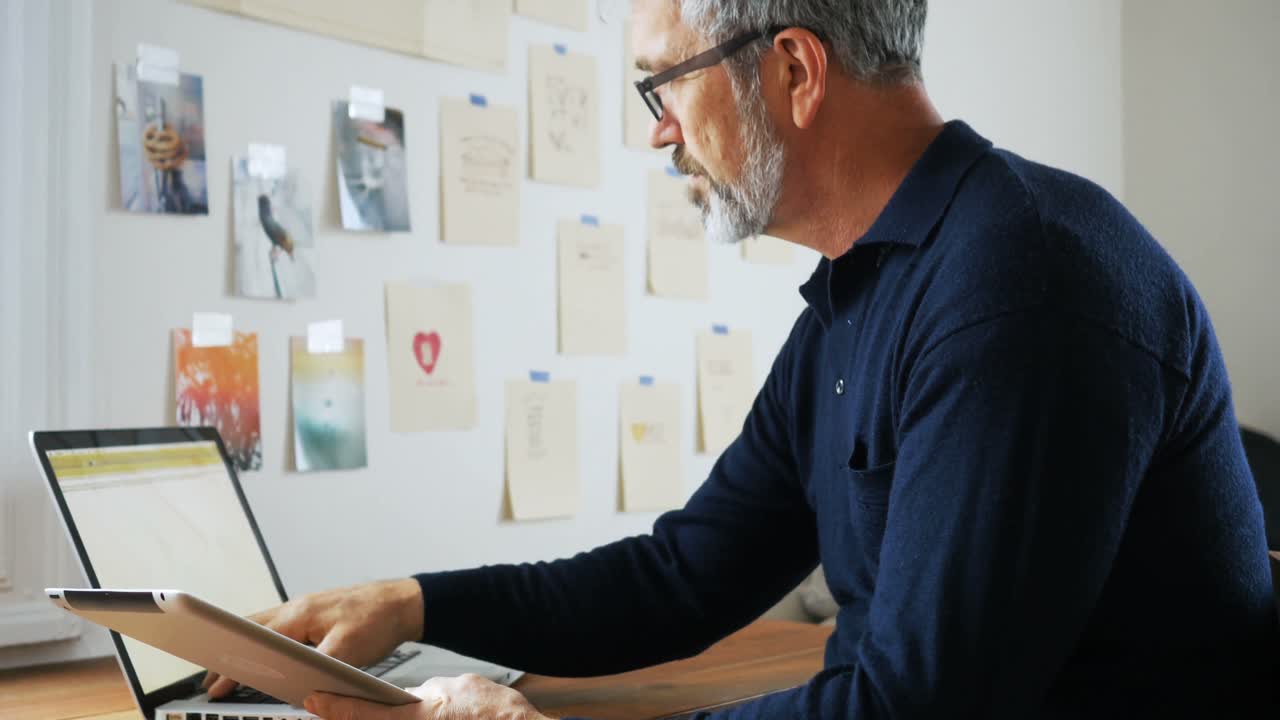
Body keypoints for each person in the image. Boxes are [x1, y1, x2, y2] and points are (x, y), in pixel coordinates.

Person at [206, 1, 1280, 717]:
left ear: (793, 71)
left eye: (658, 87)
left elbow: (915, 709)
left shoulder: (1021, 286)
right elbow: (684, 574)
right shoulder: (861, 298)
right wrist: (411, 604)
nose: (655, 134)